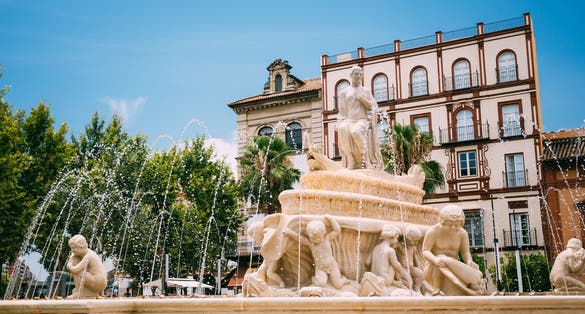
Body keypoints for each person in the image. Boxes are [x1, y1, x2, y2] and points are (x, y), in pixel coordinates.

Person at [421, 205, 485, 296]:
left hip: (454, 267)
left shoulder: (462, 233)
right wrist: (435, 260)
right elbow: (425, 251)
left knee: (476, 275)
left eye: (457, 225)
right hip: (434, 269)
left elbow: (465, 253)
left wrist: (469, 261)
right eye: (450, 225)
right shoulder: (433, 232)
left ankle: (469, 290)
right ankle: (436, 289)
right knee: (441, 257)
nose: (453, 228)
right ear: (443, 222)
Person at [336, 66, 383, 170]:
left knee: (355, 132)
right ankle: (351, 160)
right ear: (351, 75)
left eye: (360, 74)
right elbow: (342, 111)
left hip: (361, 120)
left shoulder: (365, 91)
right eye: (356, 74)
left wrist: (363, 99)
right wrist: (339, 121)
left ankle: (365, 160)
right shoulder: (344, 92)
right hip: (348, 120)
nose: (358, 76)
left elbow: (374, 106)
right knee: (342, 129)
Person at [284, 215, 349, 289]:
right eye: (313, 238)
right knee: (321, 283)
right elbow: (299, 238)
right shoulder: (311, 244)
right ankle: (314, 279)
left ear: (323, 233)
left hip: (332, 266)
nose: (316, 240)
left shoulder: (327, 239)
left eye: (318, 237)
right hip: (320, 268)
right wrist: (289, 232)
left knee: (338, 285)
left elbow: (337, 230)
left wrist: (331, 219)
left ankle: (344, 280)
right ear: (309, 236)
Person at [66, 234, 107, 299]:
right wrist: (72, 258)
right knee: (76, 261)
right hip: (96, 280)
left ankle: (81, 293)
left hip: (98, 282)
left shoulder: (89, 255)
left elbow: (75, 269)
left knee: (78, 272)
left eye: (74, 248)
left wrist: (69, 265)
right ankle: (79, 291)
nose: (72, 250)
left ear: (81, 247)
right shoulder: (84, 254)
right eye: (71, 248)